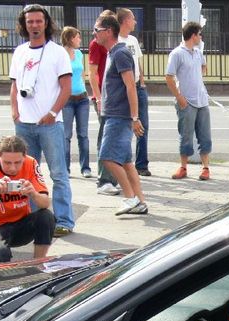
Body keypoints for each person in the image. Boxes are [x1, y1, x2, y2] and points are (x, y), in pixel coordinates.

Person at [9, 3, 74, 237]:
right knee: (27, 175)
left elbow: (66, 88)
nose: (34, 25)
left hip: (50, 125)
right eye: (30, 22)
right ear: (24, 25)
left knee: (58, 174)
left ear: (46, 23)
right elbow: (14, 85)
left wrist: (53, 113)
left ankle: (64, 220)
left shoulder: (57, 52)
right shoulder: (19, 52)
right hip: (24, 125)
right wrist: (14, 110)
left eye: (38, 21)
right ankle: (36, 219)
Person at [0, 135, 53, 265]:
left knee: (46, 217)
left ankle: (38, 264)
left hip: (21, 224)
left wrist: (33, 193)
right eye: (7, 163)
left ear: (24, 156)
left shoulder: (30, 163)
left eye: (18, 162)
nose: (13, 168)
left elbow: (45, 203)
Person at [95, 13, 148, 216]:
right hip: (116, 115)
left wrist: (134, 118)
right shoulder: (114, 53)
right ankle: (140, 201)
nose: (94, 33)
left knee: (107, 157)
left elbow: (131, 86)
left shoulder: (120, 53)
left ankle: (130, 198)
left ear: (108, 31)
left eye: (97, 30)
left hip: (118, 116)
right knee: (126, 162)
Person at [166, 22, 213, 180]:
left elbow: (203, 68)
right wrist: (179, 97)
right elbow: (169, 77)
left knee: (205, 136)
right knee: (186, 136)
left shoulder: (198, 52)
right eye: (199, 34)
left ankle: (205, 168)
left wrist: (198, 76)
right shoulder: (177, 54)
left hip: (202, 100)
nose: (201, 37)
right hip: (187, 102)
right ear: (193, 36)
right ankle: (183, 167)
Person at [88, 10, 120, 197]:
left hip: (114, 99)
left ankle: (113, 178)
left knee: (115, 139)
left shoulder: (118, 44)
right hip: (104, 99)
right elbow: (92, 73)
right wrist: (98, 98)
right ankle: (104, 180)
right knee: (106, 139)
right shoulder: (96, 44)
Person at [117, 8, 150, 177]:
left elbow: (138, 62)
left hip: (138, 86)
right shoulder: (116, 40)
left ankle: (141, 164)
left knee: (143, 125)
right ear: (125, 21)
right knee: (125, 126)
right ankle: (123, 162)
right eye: (133, 19)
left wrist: (142, 82)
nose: (135, 22)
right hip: (123, 88)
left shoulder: (133, 40)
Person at [60, 26, 91, 179]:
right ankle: (65, 168)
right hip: (67, 99)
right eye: (77, 37)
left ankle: (85, 167)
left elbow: (81, 73)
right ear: (70, 38)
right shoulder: (60, 55)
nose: (80, 40)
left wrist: (84, 86)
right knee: (66, 135)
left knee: (83, 134)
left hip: (82, 98)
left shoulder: (79, 54)